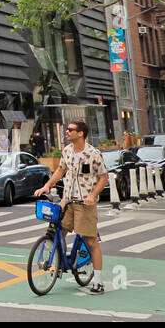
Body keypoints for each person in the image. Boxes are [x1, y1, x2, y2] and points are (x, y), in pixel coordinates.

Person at [35, 120, 108, 295]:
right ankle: (61, 261)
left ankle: (97, 282)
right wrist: (47, 186)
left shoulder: (93, 153)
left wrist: (92, 196)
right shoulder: (67, 151)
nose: (67, 132)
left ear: (80, 133)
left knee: (91, 242)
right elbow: (60, 171)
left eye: (70, 130)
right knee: (58, 232)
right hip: (66, 201)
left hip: (85, 204)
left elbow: (103, 177)